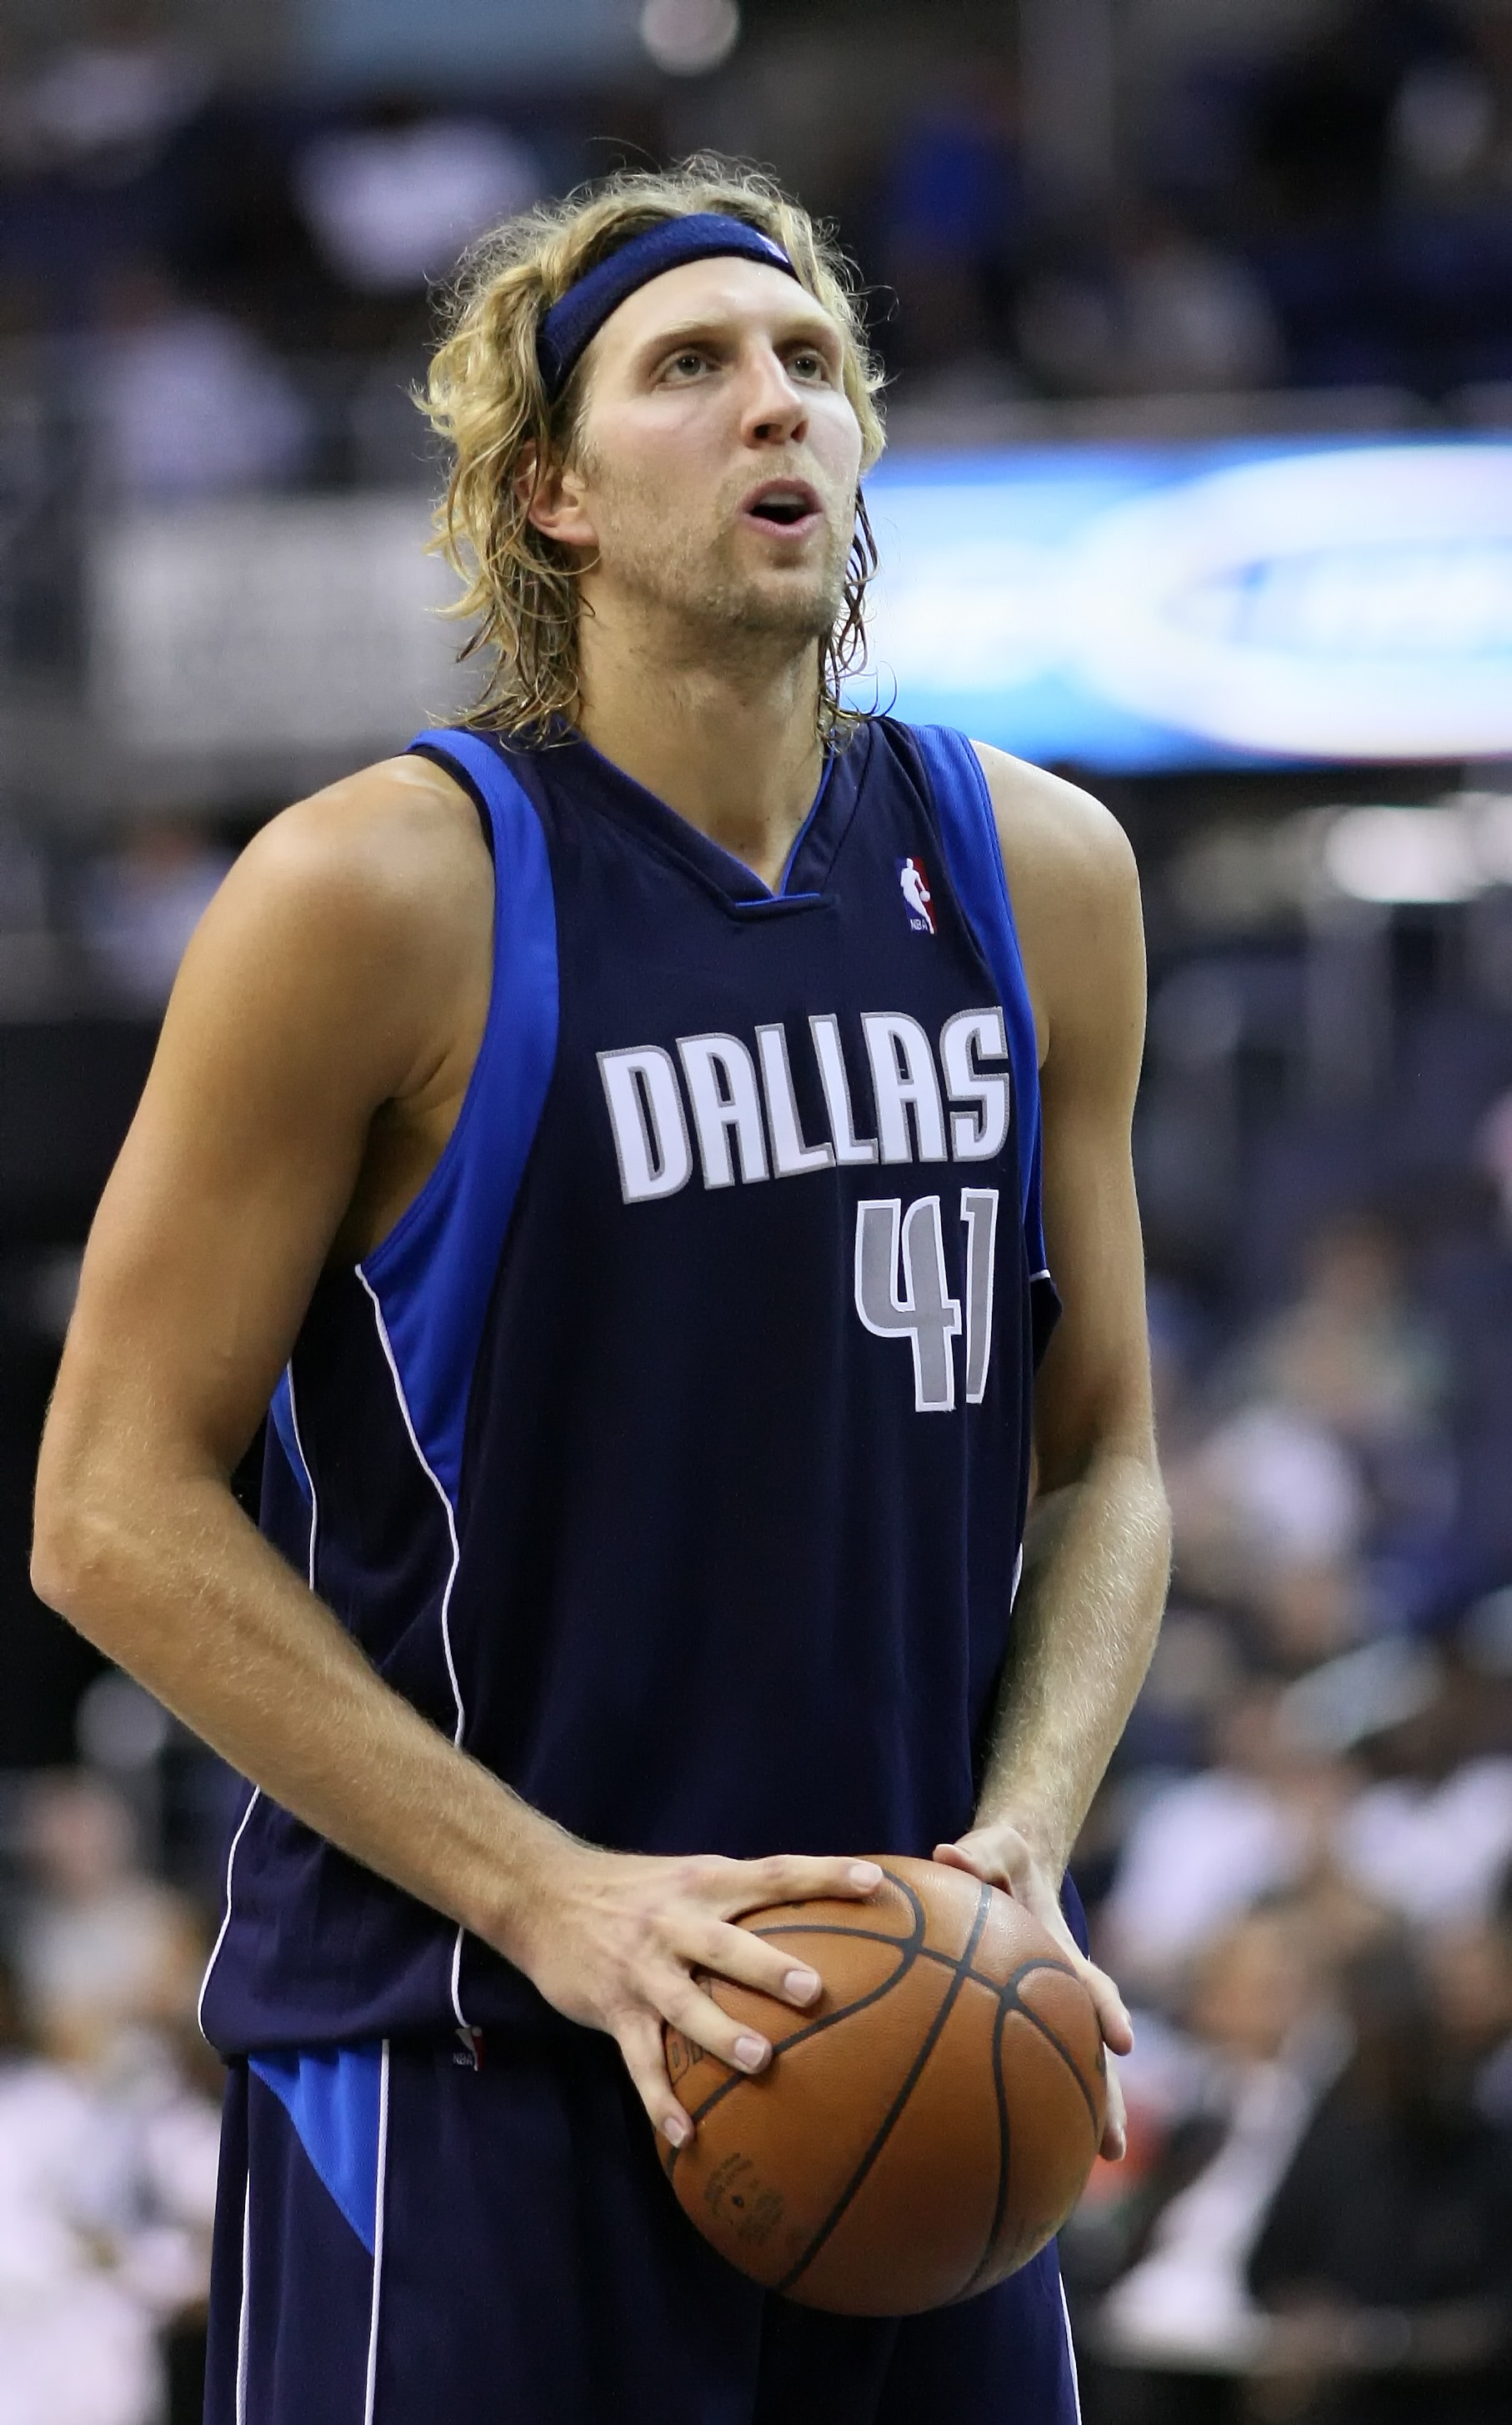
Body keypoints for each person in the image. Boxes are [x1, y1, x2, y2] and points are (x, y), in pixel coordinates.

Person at [30, 162, 1169, 2424]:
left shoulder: (1039, 875)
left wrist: (1020, 1848)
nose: (783, 408)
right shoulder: (384, 891)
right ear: (546, 491)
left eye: (817, 366)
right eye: (696, 367)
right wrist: (561, 1901)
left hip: (902, 2050)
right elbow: (107, 1505)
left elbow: (1118, 1453)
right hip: (471, 2065)